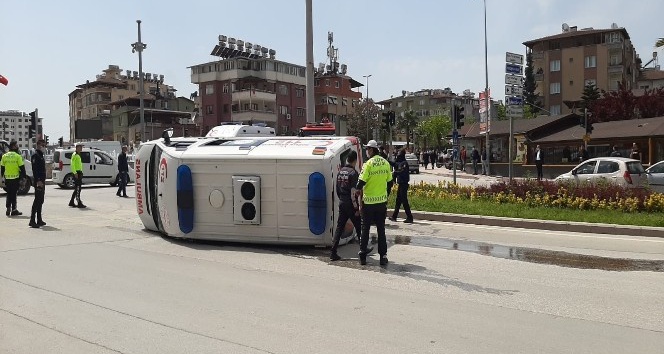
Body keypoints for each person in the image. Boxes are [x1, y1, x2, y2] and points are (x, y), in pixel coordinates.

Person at [356, 140, 392, 266]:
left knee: (365, 229)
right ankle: (383, 257)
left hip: (369, 203)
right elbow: (390, 182)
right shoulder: (385, 163)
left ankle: (362, 256)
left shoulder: (368, 164)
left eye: (367, 149)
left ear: (371, 150)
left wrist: (358, 193)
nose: (366, 151)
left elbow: (360, 183)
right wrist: (385, 195)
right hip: (381, 203)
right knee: (381, 229)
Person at [329, 151, 365, 261]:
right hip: (350, 203)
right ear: (354, 160)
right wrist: (357, 208)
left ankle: (333, 252)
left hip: (342, 202)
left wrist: (342, 200)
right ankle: (363, 250)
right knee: (359, 226)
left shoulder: (340, 172)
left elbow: (337, 189)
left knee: (339, 227)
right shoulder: (353, 173)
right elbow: (354, 193)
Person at [1, 140, 25, 216]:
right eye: (16, 145)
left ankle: (8, 207)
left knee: (9, 193)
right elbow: (22, 168)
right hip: (15, 178)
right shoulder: (18, 156)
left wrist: (2, 177)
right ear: (13, 146)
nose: (17, 146)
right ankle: (14, 209)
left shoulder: (4, 156)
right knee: (14, 194)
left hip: (7, 178)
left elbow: (2, 168)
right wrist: (23, 178)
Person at [389, 150, 413, 223]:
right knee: (398, 201)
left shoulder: (404, 163)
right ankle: (394, 216)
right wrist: (386, 161)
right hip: (400, 184)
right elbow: (393, 164)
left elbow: (402, 172)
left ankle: (409, 217)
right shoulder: (399, 163)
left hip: (404, 184)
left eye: (399, 155)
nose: (398, 156)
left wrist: (395, 173)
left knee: (404, 201)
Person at [29, 139, 47, 228]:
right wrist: (38, 180)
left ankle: (39, 219)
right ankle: (32, 220)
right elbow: (35, 169)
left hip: (42, 181)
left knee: (41, 200)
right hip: (38, 181)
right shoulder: (35, 156)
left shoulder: (41, 155)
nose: (44, 147)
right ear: (39, 145)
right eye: (43, 145)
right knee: (37, 200)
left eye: (45, 145)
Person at [69, 143, 86, 208]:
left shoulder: (78, 155)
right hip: (77, 173)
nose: (81, 148)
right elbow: (72, 164)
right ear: (77, 148)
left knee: (77, 188)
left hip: (79, 172)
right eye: (80, 147)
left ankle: (71, 201)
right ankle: (79, 202)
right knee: (78, 188)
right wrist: (75, 173)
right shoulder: (75, 155)